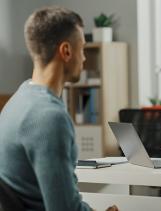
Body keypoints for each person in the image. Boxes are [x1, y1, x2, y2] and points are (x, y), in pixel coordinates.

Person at [0, 6, 118, 211]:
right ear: (66, 51)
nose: (83, 58)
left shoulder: (18, 99)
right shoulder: (48, 118)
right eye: (82, 49)